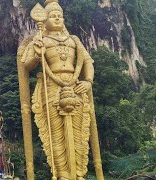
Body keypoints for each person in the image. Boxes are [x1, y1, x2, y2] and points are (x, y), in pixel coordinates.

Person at [17, 0, 103, 179]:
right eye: (53, 16)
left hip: (75, 86)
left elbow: (87, 62)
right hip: (51, 87)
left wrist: (88, 81)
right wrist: (36, 51)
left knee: (79, 133)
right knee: (55, 133)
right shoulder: (41, 39)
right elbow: (26, 65)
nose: (57, 18)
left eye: (59, 16)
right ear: (45, 19)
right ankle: (62, 173)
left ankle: (79, 172)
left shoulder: (74, 40)